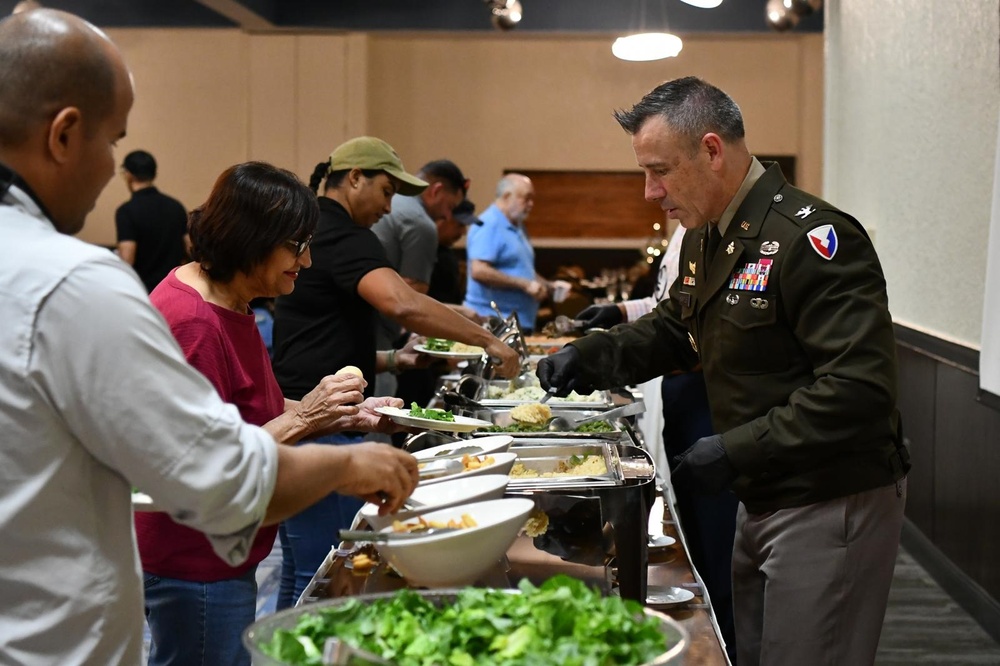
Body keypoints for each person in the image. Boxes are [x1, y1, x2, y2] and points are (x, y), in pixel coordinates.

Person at [0, 10, 417, 664]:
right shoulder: (76, 282)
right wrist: (348, 460)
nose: (112, 167)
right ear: (64, 133)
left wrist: (330, 418)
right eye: (113, 140)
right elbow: (217, 475)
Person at [538, 76, 910, 666]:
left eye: (659, 170)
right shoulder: (711, 236)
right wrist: (592, 353)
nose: (649, 192)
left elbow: (859, 390)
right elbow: (675, 329)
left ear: (712, 150)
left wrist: (736, 449)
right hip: (762, 491)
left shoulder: (811, 238)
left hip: (827, 494)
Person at [140, 161, 409, 665]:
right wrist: (308, 418)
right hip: (195, 558)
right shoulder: (194, 322)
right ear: (251, 239)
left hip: (229, 546)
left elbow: (247, 408)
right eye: (297, 247)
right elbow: (213, 463)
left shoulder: (233, 300)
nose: (305, 263)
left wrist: (342, 414)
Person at [271, 137, 519, 607]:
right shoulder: (343, 235)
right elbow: (403, 303)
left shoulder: (319, 230)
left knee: (303, 567)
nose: (390, 208)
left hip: (304, 412)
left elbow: (321, 329)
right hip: (321, 421)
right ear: (355, 178)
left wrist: (391, 360)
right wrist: (487, 340)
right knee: (326, 567)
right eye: (386, 192)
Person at [574, 218, 739, 663]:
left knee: (719, 537)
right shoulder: (685, 234)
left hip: (709, 394)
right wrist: (620, 313)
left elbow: (691, 327)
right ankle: (717, 629)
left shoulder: (717, 230)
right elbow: (669, 308)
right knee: (697, 533)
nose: (653, 193)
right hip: (680, 389)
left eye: (659, 172)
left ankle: (724, 642)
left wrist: (602, 353)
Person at [370, 158, 475, 396]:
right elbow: (410, 304)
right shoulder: (421, 223)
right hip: (377, 336)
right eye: (450, 206)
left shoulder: (395, 204)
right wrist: (478, 338)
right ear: (436, 190)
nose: (448, 215)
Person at [464, 173, 550, 330]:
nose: (531, 204)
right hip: (493, 322)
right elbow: (479, 271)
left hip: (518, 321)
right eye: (526, 198)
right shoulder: (489, 224)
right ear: (506, 196)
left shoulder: (517, 225)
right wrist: (524, 285)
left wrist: (548, 285)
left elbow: (522, 269)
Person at [115, 149, 189, 292]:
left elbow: (127, 260)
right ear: (154, 174)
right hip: (174, 290)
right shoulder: (176, 207)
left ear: (128, 175)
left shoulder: (126, 211)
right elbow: (191, 247)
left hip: (144, 293)